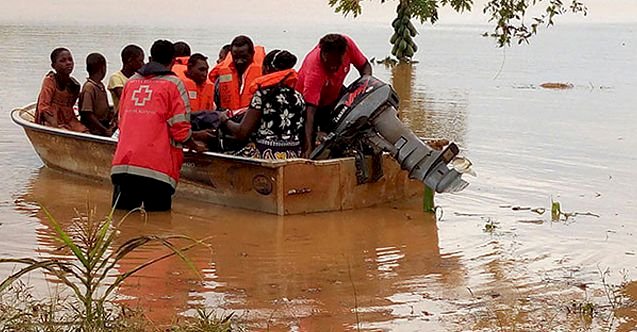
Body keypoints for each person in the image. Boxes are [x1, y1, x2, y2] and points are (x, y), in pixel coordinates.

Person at [111, 40, 207, 211]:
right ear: (172, 61)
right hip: (157, 170)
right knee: (158, 228)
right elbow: (180, 130)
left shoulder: (131, 83)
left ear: (150, 57)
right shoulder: (174, 85)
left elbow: (121, 121)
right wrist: (194, 144)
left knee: (122, 225)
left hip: (123, 166)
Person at [296, 34, 372, 157]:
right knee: (314, 144)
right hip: (310, 104)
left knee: (356, 122)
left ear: (344, 54)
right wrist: (308, 147)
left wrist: (365, 89)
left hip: (335, 91)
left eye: (337, 63)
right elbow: (309, 114)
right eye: (329, 63)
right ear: (323, 54)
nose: (333, 67)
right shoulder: (314, 71)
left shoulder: (348, 45)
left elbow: (365, 66)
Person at [220, 50, 305, 160]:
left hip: (266, 153)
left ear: (266, 68)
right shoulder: (298, 97)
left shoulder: (263, 94)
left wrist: (225, 120)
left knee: (227, 155)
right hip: (293, 154)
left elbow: (242, 133)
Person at [35, 48, 88, 132]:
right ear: (54, 65)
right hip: (51, 120)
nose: (68, 63)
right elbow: (44, 108)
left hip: (69, 121)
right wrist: (56, 128)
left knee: (86, 132)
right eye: (62, 61)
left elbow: (70, 108)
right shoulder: (50, 81)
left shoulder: (74, 85)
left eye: (70, 60)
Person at [208, 35, 265, 111]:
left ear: (252, 54)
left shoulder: (264, 77)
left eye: (243, 57)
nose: (239, 61)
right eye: (236, 57)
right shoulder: (220, 79)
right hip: (228, 119)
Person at [79, 53, 115, 136]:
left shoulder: (100, 86)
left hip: (103, 124)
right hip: (94, 129)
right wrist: (104, 129)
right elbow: (87, 113)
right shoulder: (89, 87)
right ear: (103, 69)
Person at [107, 44, 144, 114]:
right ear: (130, 61)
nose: (143, 64)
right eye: (140, 61)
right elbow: (125, 98)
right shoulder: (116, 78)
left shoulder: (139, 78)